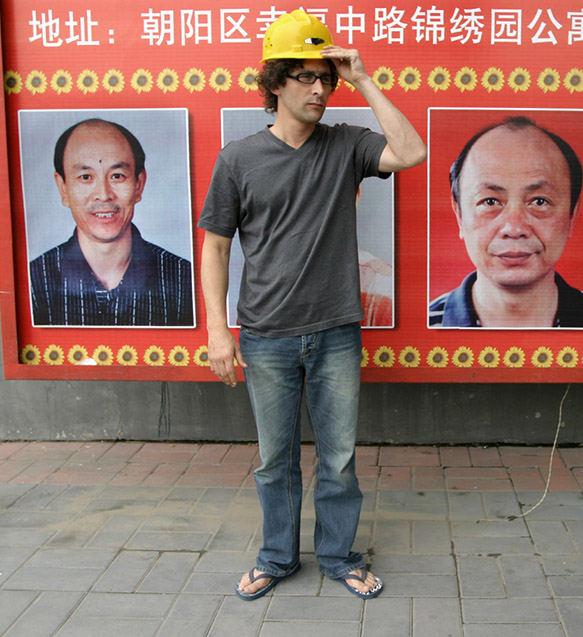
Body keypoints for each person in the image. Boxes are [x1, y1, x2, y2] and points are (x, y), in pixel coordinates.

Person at [198, 10, 425, 601]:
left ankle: (338, 555)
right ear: (274, 83)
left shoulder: (347, 144)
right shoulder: (238, 159)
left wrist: (365, 79)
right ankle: (276, 556)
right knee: (274, 460)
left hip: (335, 332)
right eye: (306, 77)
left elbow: (412, 151)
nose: (321, 88)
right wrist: (218, 333)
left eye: (327, 77)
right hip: (266, 334)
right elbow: (215, 248)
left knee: (339, 459)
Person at [428, 116, 583, 327]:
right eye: (490, 201)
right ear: (459, 214)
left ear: (572, 215)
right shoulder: (416, 332)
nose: (514, 228)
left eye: (539, 201)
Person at [29, 118, 193, 327]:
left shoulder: (184, 279)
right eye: (86, 177)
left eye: (117, 176)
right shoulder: (34, 282)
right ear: (63, 189)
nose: (104, 195)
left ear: (139, 185)